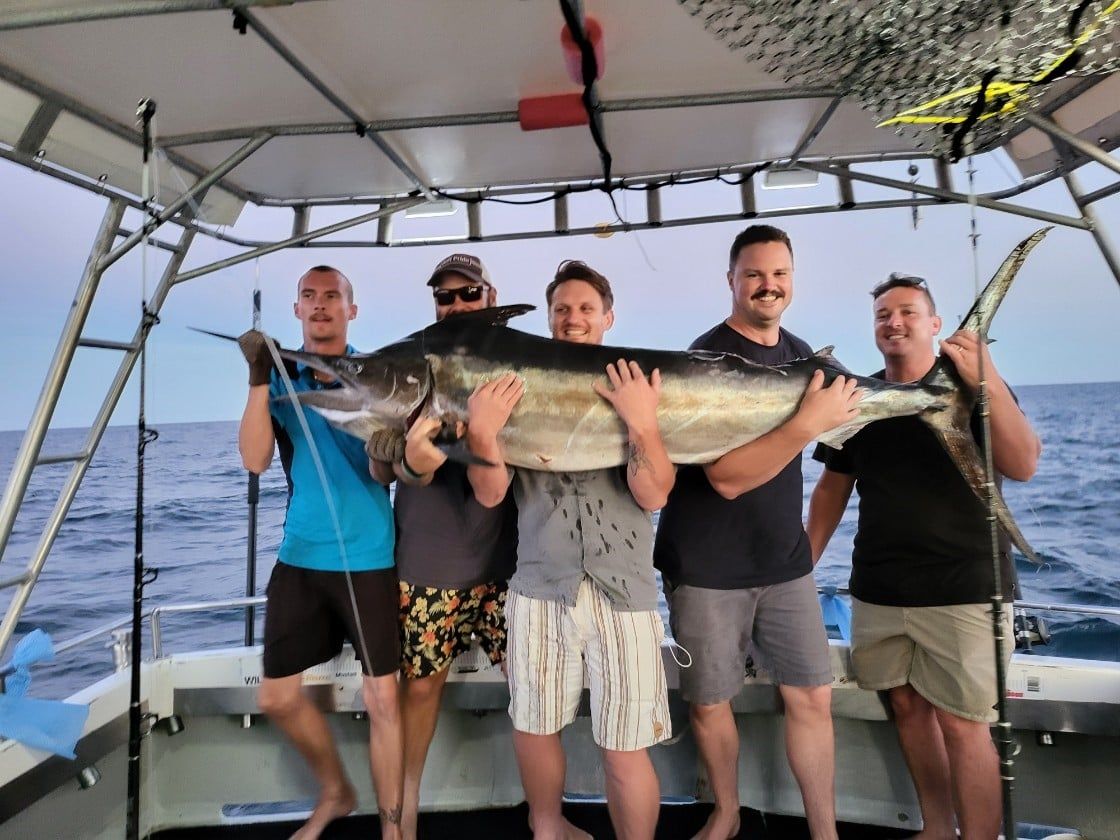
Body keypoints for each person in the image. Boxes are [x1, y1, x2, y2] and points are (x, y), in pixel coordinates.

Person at [807, 273, 1040, 840]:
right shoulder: (857, 399)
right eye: (884, 313)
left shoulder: (973, 386)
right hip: (880, 590)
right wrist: (799, 566)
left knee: (966, 727)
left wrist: (988, 378)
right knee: (907, 711)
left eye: (908, 312)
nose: (894, 322)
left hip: (964, 589)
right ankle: (937, 826)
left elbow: (1024, 461)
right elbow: (832, 489)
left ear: (935, 325)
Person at [654, 225, 860, 840]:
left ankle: (825, 831)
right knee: (710, 702)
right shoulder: (704, 359)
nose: (767, 285)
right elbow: (725, 478)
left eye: (779, 274)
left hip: (786, 565)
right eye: (753, 274)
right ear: (732, 282)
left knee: (812, 699)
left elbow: (857, 441)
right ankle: (727, 811)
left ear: (792, 280)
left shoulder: (813, 363)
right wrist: (806, 425)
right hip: (705, 566)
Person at [467, 260, 674, 840]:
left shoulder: (639, 385)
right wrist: (483, 434)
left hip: (624, 590)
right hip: (539, 584)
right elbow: (489, 495)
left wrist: (644, 426)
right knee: (535, 725)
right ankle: (548, 828)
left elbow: (654, 491)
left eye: (586, 308)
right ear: (550, 319)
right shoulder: (514, 384)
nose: (573, 318)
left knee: (626, 744)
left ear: (608, 317)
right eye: (561, 309)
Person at [238, 265, 403, 840]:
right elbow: (255, 459)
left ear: (351, 310)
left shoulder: (374, 375)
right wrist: (260, 378)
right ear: (297, 309)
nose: (321, 305)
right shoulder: (281, 379)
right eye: (309, 296)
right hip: (301, 555)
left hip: (368, 558)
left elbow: (384, 471)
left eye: (333, 296)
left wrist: (387, 447)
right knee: (277, 697)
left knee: (385, 699)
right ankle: (336, 793)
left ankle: (392, 829)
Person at [391, 254, 518, 840]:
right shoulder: (408, 366)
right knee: (420, 691)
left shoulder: (523, 357)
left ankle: (548, 805)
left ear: (490, 296)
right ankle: (405, 806)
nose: (457, 306)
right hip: (428, 568)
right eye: (446, 298)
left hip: (510, 568)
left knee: (535, 687)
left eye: (468, 294)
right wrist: (412, 461)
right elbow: (378, 464)